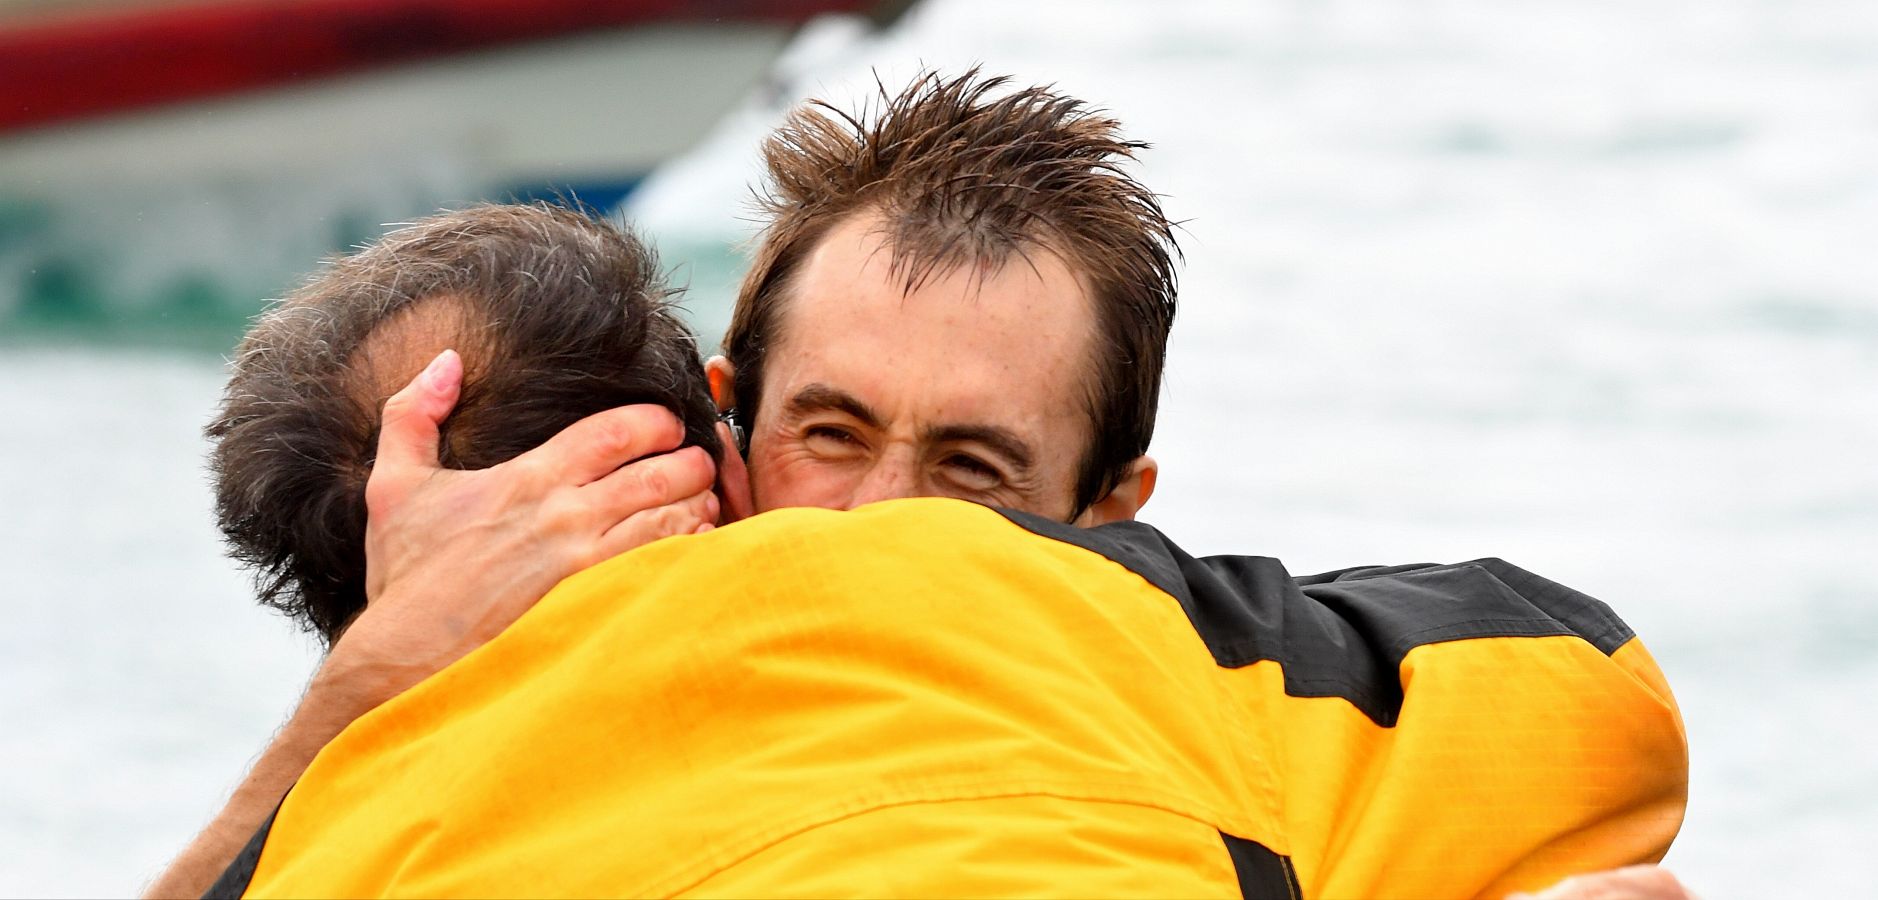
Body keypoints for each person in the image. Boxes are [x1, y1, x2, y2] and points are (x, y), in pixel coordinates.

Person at [151, 72, 1693, 898]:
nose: (880, 526)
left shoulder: (1164, 670)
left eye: (973, 470)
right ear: (720, 429)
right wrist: (370, 693)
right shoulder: (415, 735)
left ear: (1112, 514)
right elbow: (1583, 685)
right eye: (829, 433)